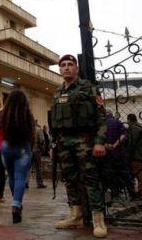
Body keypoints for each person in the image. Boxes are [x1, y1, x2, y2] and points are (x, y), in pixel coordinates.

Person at [50, 54, 107, 238]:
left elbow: (101, 117)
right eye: (63, 65)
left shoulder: (88, 88)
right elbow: (54, 122)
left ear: (77, 68)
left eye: (70, 65)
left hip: (85, 140)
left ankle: (98, 219)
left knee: (90, 179)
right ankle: (76, 215)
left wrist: (99, 142)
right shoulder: (58, 92)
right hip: (63, 142)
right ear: (60, 70)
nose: (66, 67)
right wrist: (54, 145)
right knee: (70, 179)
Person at [0, 89, 35, 223]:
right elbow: (31, 133)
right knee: (20, 177)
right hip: (22, 148)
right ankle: (16, 205)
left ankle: (17, 202)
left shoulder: (4, 113)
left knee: (12, 176)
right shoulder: (27, 114)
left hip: (6, 147)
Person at [103, 110, 135, 199]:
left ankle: (114, 192)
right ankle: (132, 193)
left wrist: (106, 144)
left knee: (110, 174)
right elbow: (123, 135)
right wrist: (115, 145)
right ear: (112, 115)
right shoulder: (117, 122)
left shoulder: (101, 124)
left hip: (107, 152)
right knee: (125, 173)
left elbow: (99, 137)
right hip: (119, 152)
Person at [126, 113, 142, 198]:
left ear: (129, 119)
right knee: (139, 173)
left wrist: (128, 153)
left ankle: (141, 193)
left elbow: (132, 143)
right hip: (140, 153)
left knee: (138, 174)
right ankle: (141, 191)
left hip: (136, 155)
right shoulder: (139, 126)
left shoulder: (134, 128)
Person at [31, 119, 47, 189]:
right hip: (37, 151)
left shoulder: (28, 130)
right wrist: (43, 149)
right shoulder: (38, 130)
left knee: (27, 168)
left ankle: (25, 182)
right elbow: (42, 140)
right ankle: (39, 183)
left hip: (29, 151)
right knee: (38, 168)